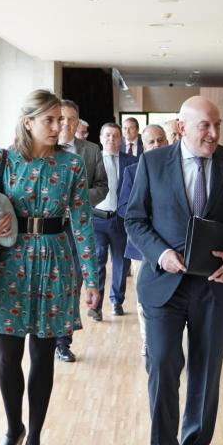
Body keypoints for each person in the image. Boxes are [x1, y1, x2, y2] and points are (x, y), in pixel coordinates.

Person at [125, 96, 223, 445]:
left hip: (216, 285)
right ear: (181, 127)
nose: (214, 133)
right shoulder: (153, 163)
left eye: (217, 125)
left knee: (206, 371)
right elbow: (134, 219)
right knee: (164, 364)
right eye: (205, 125)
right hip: (163, 285)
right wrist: (160, 253)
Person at [0, 89, 99, 445]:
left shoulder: (73, 165)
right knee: (7, 356)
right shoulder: (4, 160)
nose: (58, 127)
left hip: (55, 261)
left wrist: (93, 276)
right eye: (49, 120)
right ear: (28, 121)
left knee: (43, 356)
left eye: (61, 120)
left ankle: (34, 441)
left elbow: (81, 221)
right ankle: (13, 428)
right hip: (10, 262)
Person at [54, 99, 108, 362]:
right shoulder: (45, 149)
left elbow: (102, 186)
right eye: (61, 118)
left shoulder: (90, 151)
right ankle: (44, 336)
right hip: (47, 229)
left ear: (78, 122)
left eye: (71, 119)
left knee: (73, 284)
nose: (66, 123)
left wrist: (78, 199)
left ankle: (63, 342)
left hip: (77, 227)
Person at [117, 124, 168, 356]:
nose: (156, 145)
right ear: (142, 145)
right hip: (142, 246)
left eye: (160, 140)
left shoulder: (176, 170)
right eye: (151, 142)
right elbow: (124, 208)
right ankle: (148, 341)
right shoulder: (131, 171)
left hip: (172, 245)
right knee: (144, 296)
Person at [91, 123, 137, 319]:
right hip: (97, 219)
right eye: (107, 135)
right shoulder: (92, 160)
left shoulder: (132, 161)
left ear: (121, 139)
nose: (111, 139)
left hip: (120, 220)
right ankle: (96, 306)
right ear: (101, 138)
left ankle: (116, 301)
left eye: (115, 135)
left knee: (121, 262)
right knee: (98, 261)